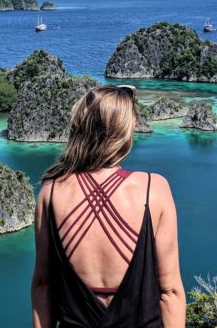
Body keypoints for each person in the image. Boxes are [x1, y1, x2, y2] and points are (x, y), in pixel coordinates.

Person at [31, 84, 185, 327]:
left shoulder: (51, 192)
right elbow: (170, 293)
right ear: (123, 133)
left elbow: (43, 285)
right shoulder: (153, 189)